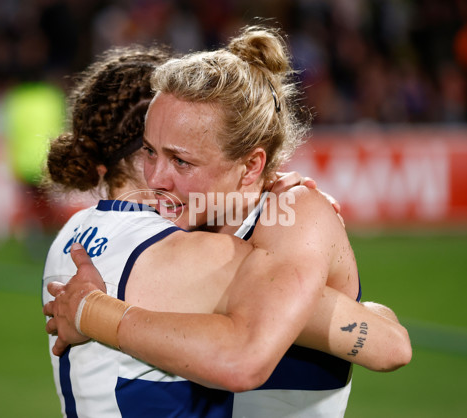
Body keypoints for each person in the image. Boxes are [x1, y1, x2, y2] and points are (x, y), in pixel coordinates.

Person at [43, 34, 411, 417]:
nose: (156, 179)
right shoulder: (186, 223)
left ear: (251, 166)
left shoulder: (293, 215)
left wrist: (94, 314)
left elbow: (390, 348)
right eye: (150, 152)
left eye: (181, 161)